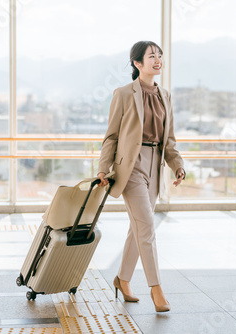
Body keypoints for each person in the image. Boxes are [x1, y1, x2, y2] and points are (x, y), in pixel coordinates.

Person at [96, 40, 185, 312]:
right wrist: (103, 169)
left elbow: (168, 140)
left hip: (155, 166)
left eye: (159, 55)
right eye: (151, 56)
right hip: (131, 168)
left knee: (138, 230)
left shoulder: (165, 96)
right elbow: (111, 136)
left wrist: (177, 165)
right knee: (146, 226)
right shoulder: (123, 94)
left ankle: (122, 280)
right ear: (137, 63)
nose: (157, 59)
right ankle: (156, 289)